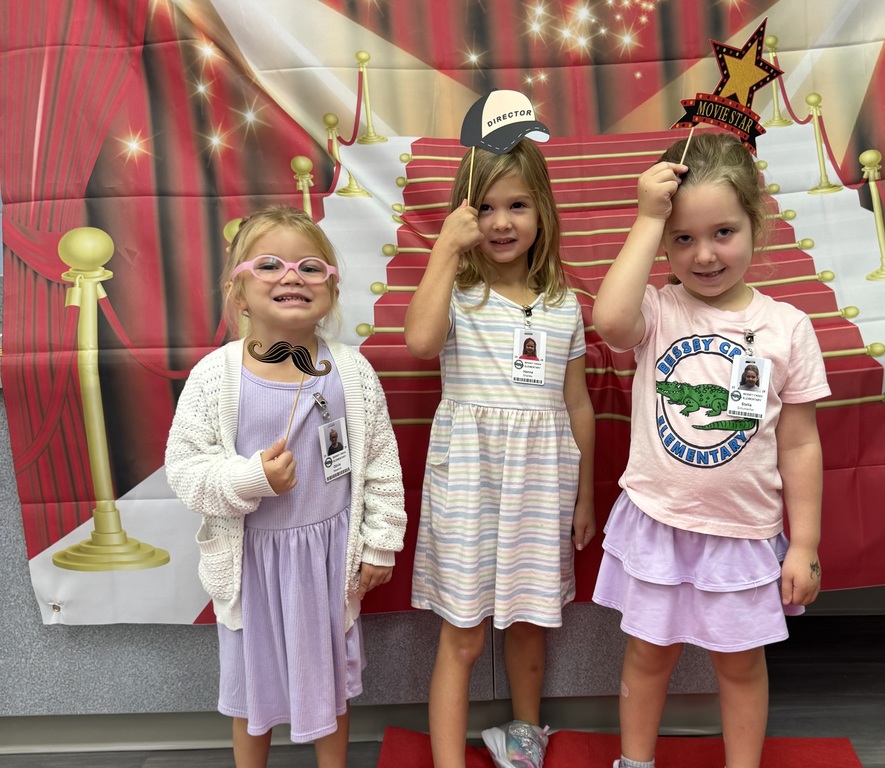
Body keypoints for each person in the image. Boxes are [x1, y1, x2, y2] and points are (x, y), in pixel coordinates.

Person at [591, 131, 830, 768]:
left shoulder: (787, 327)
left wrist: (803, 545)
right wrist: (647, 218)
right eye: (683, 239)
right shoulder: (657, 309)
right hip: (659, 521)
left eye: (723, 232)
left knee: (741, 666)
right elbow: (609, 322)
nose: (703, 256)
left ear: (756, 224)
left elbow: (801, 442)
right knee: (647, 657)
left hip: (743, 533)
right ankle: (634, 762)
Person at [165, 205, 406, 768]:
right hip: (253, 564)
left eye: (310, 267)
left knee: (331, 680)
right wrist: (253, 478)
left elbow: (380, 464)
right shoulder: (215, 377)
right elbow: (186, 469)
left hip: (328, 560)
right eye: (269, 264)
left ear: (331, 288)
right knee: (253, 688)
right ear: (238, 291)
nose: (291, 276)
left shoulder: (352, 372)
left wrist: (379, 543)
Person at [405, 138, 596, 768]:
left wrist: (584, 495)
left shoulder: (565, 303)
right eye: (485, 208)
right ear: (465, 212)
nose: (502, 222)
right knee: (461, 635)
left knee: (530, 625)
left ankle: (524, 735)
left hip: (542, 482)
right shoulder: (457, 291)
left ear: (542, 209)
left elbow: (576, 406)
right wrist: (442, 250)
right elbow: (419, 342)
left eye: (517, 205)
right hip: (470, 481)